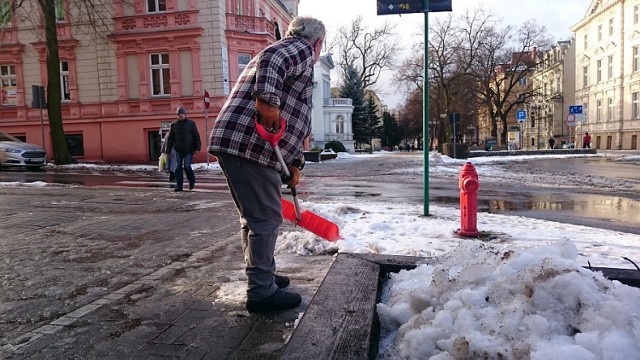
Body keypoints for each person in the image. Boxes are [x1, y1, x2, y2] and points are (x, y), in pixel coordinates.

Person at [208, 16, 325, 312]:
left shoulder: (295, 55)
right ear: (318, 42)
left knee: (254, 219)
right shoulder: (299, 48)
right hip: (250, 146)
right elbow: (273, 59)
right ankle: (261, 291)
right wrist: (268, 102)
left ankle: (264, 276)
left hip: (242, 145)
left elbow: (297, 118)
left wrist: (296, 162)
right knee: (266, 219)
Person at [165, 106, 201, 192]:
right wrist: (168, 150)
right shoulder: (173, 125)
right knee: (178, 167)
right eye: (178, 114)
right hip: (178, 150)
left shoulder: (191, 124)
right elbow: (170, 138)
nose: (180, 115)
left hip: (189, 149)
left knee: (187, 166)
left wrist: (197, 148)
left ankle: (192, 181)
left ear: (185, 114)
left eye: (182, 114)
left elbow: (196, 136)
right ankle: (179, 186)